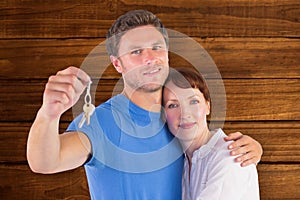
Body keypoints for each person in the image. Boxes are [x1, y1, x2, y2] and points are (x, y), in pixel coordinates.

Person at [27, 10, 262, 199]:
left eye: (156, 47)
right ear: (118, 64)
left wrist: (249, 151)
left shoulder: (178, 119)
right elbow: (45, 162)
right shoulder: (102, 123)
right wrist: (49, 113)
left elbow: (209, 156)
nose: (150, 58)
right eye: (136, 51)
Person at [163, 67, 260, 200]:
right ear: (163, 115)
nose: (185, 113)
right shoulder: (182, 162)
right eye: (173, 105)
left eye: (193, 102)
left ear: (207, 106)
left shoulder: (232, 155)